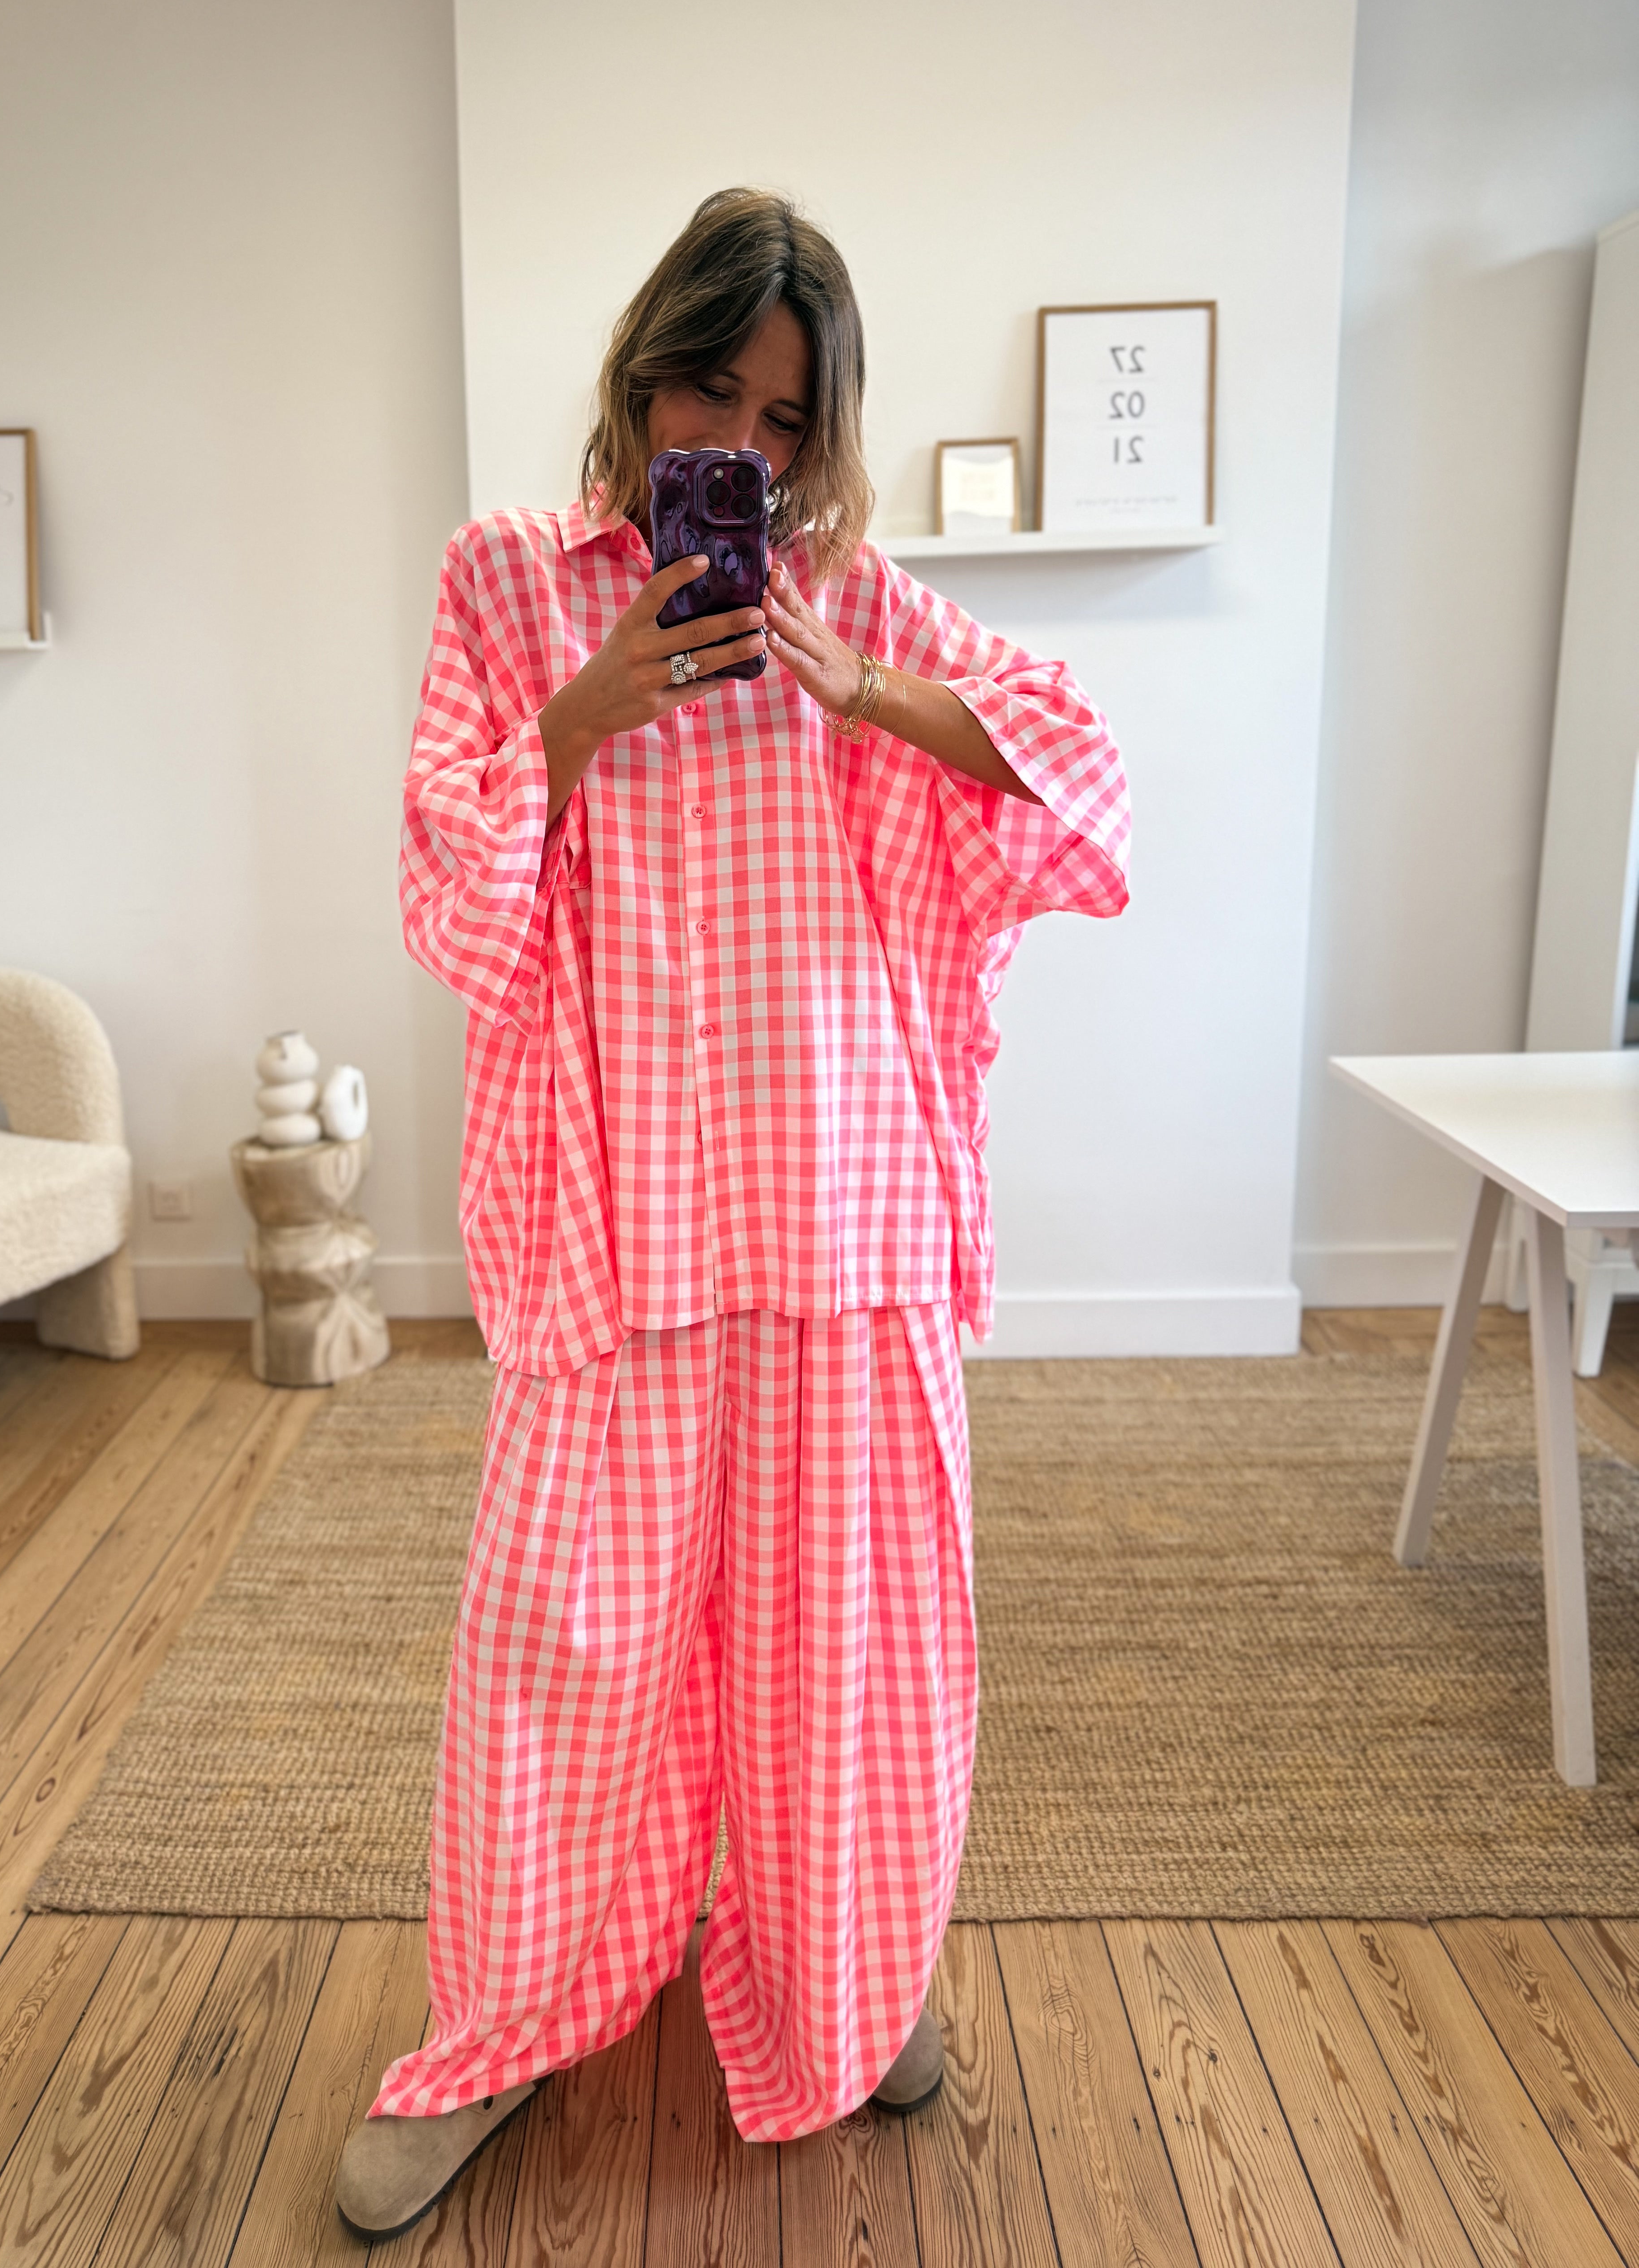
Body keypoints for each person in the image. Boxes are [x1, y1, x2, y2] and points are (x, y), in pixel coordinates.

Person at [336, 188, 1129, 2241]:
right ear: (641, 374)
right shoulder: (508, 582)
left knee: (847, 1650)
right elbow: (447, 893)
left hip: (842, 1213)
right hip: (615, 1220)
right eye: (712, 395)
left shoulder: (846, 597)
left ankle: (853, 1981)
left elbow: (1084, 773)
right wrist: (585, 708)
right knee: (560, 1650)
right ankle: (500, 2031)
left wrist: (861, 689)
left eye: (786, 422)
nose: (744, 453)